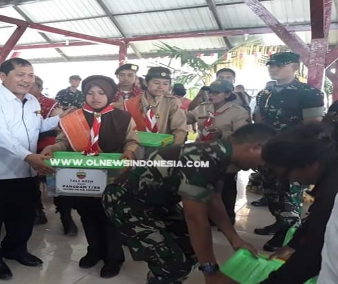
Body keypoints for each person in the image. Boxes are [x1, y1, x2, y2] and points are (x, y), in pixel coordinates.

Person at [102, 123, 277, 284]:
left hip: (158, 202)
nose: (262, 166)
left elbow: (214, 200)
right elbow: (195, 219)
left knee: (190, 249)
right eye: (265, 160)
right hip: (126, 201)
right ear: (255, 147)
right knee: (172, 265)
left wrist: (234, 238)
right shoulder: (205, 159)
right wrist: (211, 272)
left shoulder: (219, 154)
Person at [0, 58, 75, 280]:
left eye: (30, 75)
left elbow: (36, 128)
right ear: (4, 76)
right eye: (20, 74)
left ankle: (15, 249)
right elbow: (1, 137)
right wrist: (30, 157)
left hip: (24, 171)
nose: (26, 80)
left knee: (24, 216)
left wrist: (60, 119)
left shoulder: (32, 102)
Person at [41, 75, 140, 279]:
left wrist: (130, 151)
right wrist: (53, 146)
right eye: (90, 93)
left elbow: (132, 141)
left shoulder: (123, 118)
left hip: (112, 177)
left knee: (109, 218)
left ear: (110, 94)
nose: (95, 97)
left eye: (101, 93)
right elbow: (64, 142)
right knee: (87, 215)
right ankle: (94, 251)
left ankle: (114, 258)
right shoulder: (73, 118)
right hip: (83, 178)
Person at [252, 51, 325, 252]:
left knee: (289, 196)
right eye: (271, 65)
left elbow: (313, 128)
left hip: (292, 155)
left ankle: (288, 233)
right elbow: (259, 122)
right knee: (272, 193)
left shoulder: (309, 93)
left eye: (279, 65)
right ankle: (279, 222)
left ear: (294, 67)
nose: (273, 68)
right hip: (269, 153)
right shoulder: (264, 94)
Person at [257, 123, 338, 284]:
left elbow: (312, 255)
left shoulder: (332, 192)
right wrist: (293, 245)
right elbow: (317, 220)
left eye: (286, 174)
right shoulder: (330, 170)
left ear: (311, 164)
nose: (289, 180)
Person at [186, 80, 251, 223]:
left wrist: (222, 133)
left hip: (226, 154)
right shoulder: (202, 108)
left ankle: (228, 217)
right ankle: (209, 215)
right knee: (206, 186)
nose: (211, 95)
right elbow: (186, 118)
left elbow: (242, 136)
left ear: (227, 94)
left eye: (216, 92)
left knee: (226, 186)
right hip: (204, 153)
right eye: (210, 92)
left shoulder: (238, 112)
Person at [30, 75, 79, 236]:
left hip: (49, 143)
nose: (29, 88)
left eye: (33, 85)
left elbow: (61, 127)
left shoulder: (51, 104)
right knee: (29, 180)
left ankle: (66, 217)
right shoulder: (18, 103)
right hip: (25, 146)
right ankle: (37, 211)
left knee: (58, 180)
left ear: (40, 88)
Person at [124, 67, 188, 144]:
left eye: (165, 84)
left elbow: (180, 130)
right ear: (146, 83)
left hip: (163, 149)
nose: (160, 87)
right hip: (136, 147)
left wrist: (173, 151)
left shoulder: (172, 103)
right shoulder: (130, 103)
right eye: (156, 83)